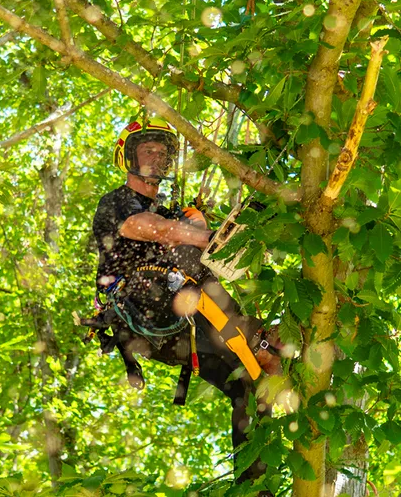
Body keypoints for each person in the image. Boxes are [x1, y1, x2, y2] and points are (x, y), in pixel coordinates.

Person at [87, 117, 280, 489]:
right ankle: (255, 339)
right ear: (127, 157)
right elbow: (151, 228)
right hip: (143, 299)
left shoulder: (174, 211)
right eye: (148, 149)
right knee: (188, 258)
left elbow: (177, 231)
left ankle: (255, 487)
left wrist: (201, 224)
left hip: (184, 325)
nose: (157, 157)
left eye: (163, 152)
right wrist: (201, 235)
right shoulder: (116, 202)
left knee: (248, 387)